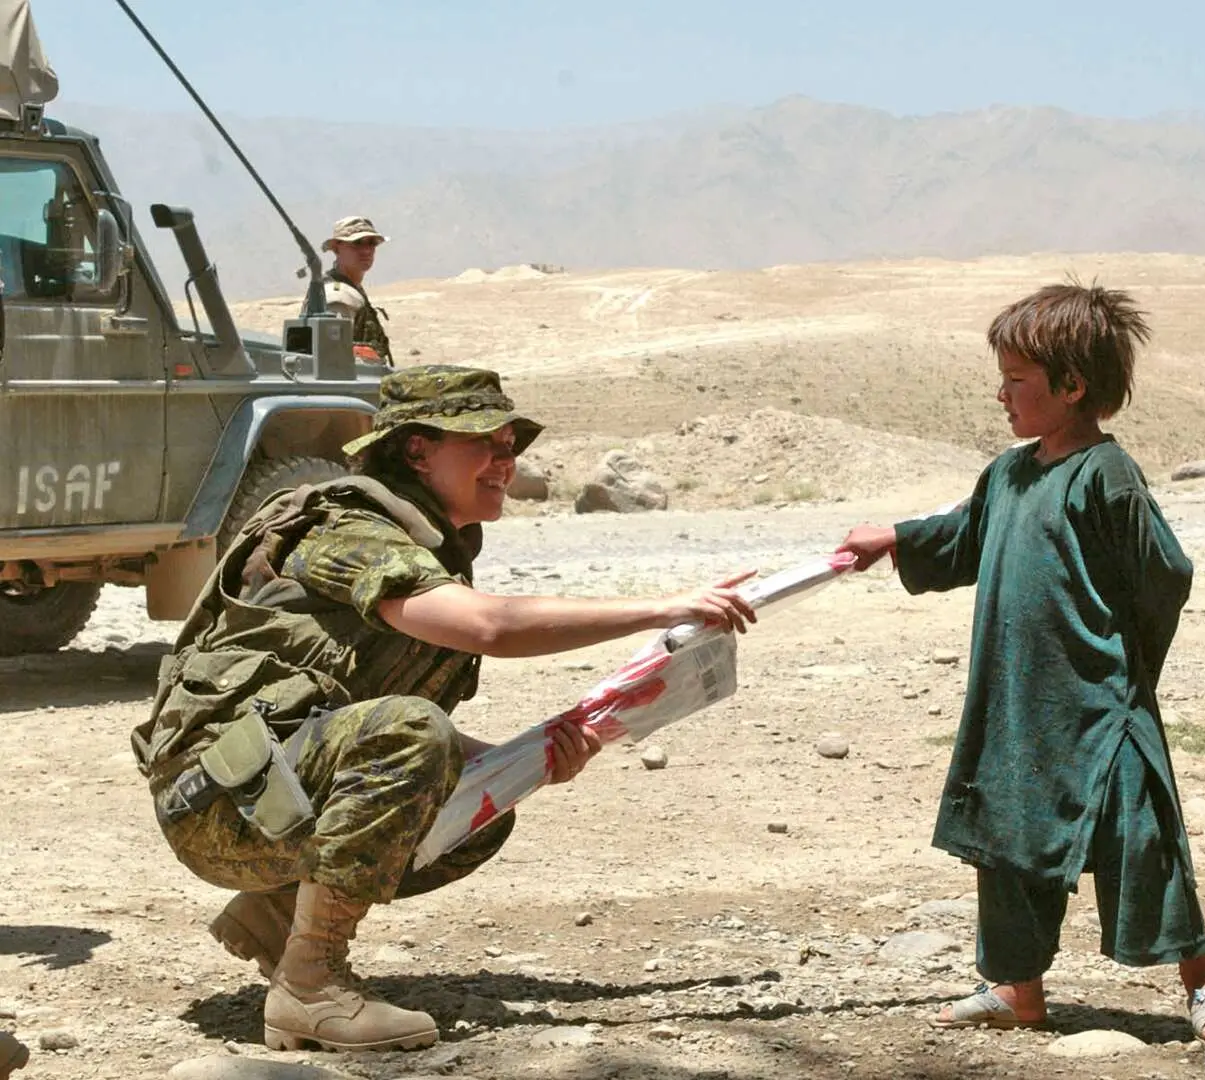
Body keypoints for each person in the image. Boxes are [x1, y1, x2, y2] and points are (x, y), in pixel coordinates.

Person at [130, 365, 757, 1053]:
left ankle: (277, 918)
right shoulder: (349, 526)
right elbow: (487, 628)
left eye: (509, 443)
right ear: (416, 450)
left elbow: (349, 718)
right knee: (413, 735)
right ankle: (309, 989)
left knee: (483, 802)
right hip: (216, 800)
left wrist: (519, 764)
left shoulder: (427, 539)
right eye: (480, 441)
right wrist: (662, 608)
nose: (503, 460)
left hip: (263, 784)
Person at [836, 284, 1205, 1046]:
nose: (1002, 395)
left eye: (1017, 380)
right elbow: (961, 538)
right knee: (1007, 837)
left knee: (1142, 835)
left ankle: (1203, 981)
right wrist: (890, 538)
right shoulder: (1009, 474)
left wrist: (1124, 668)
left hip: (1101, 701)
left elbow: (1164, 575)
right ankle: (1018, 991)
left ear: (1072, 385)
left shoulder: (1106, 474)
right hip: (1016, 696)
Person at [322, 215, 394, 366]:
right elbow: (333, 359)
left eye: (371, 243)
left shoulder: (353, 290)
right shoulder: (338, 296)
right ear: (336, 248)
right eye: (356, 243)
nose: (366, 250)